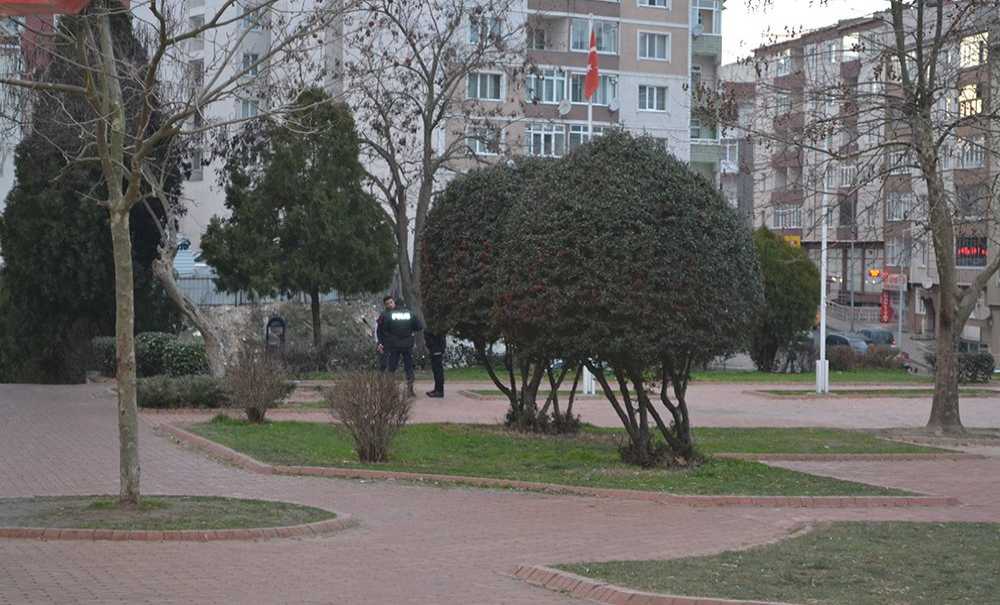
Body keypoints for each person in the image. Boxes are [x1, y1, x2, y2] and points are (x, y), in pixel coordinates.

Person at [376, 295, 422, 396]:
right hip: (408, 345)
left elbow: (384, 329)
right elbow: (419, 326)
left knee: (392, 368)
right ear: (404, 304)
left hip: (394, 345)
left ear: (395, 304)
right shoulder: (410, 314)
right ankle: (410, 390)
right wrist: (410, 330)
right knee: (409, 368)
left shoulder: (389, 315)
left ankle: (391, 390)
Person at [424, 330, 446, 398]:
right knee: (436, 370)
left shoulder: (436, 326)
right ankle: (437, 389)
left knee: (438, 370)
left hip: (436, 347)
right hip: (435, 346)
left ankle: (439, 391)